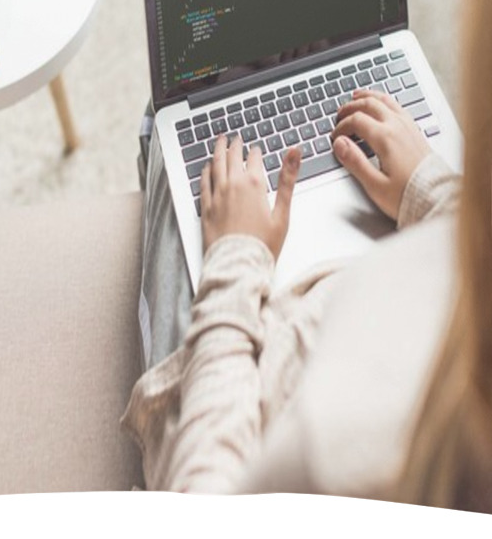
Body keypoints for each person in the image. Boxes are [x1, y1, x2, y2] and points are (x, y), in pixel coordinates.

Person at [122, 88, 465, 501]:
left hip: (235, 376)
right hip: (375, 286)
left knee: (169, 114)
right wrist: (434, 194)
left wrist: (234, 257)